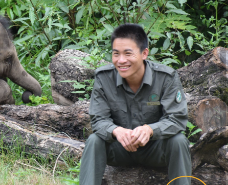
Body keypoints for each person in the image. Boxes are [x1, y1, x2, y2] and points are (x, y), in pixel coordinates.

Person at [79, 24, 191, 185]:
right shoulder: (104, 78)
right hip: (119, 150)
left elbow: (177, 119)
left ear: (144, 53)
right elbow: (98, 120)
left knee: (179, 141)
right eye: (116, 54)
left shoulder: (166, 78)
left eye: (128, 53)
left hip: (154, 149)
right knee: (94, 140)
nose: (121, 60)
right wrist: (116, 131)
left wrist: (150, 130)